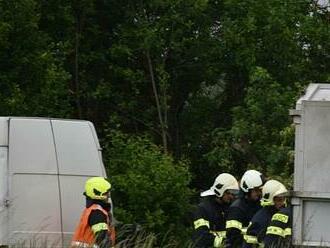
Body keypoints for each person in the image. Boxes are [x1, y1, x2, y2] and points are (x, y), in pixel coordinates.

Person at [192, 173, 239, 248]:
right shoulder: (203, 209)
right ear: (220, 190)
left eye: (235, 193)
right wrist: (224, 243)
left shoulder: (230, 207)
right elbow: (201, 237)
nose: (232, 196)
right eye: (230, 192)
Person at [71, 177, 115, 248]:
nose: (108, 196)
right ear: (98, 193)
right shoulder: (97, 213)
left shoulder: (92, 210)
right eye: (106, 193)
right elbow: (102, 237)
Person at [242, 179, 288, 248]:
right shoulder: (260, 220)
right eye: (279, 200)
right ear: (271, 201)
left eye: (284, 199)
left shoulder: (279, 215)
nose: (283, 203)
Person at [225, 170, 265, 248]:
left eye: (260, 190)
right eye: (256, 190)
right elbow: (233, 239)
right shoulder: (237, 209)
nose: (259, 193)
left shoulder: (259, 204)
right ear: (247, 189)